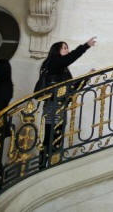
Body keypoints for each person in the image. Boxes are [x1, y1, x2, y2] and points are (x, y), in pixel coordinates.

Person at [38, 37, 96, 168]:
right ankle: (44, 166)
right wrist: (85, 46)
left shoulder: (62, 70)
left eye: (67, 48)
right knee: (50, 136)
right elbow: (69, 58)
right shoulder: (53, 63)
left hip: (60, 106)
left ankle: (51, 164)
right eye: (64, 48)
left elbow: (70, 89)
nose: (67, 50)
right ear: (56, 51)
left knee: (56, 136)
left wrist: (86, 77)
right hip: (53, 106)